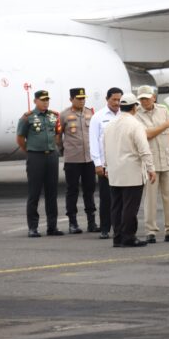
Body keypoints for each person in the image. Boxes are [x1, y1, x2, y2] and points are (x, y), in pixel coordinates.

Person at [104, 93, 156, 247]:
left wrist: (107, 166)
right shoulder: (135, 124)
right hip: (131, 171)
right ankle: (128, 237)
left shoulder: (110, 124)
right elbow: (144, 149)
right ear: (134, 107)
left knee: (116, 206)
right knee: (130, 206)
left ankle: (118, 237)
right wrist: (151, 168)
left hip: (114, 171)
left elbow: (105, 148)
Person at [135, 85, 169, 243]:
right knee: (150, 199)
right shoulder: (136, 114)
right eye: (141, 98)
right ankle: (151, 231)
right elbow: (147, 134)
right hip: (150, 163)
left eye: (146, 98)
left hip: (167, 158)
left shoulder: (163, 110)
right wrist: (166, 124)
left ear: (154, 97)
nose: (144, 101)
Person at [16, 90, 63, 237]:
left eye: (47, 100)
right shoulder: (27, 118)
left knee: (52, 193)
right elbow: (20, 138)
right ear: (36, 101)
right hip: (36, 157)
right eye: (42, 100)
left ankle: (52, 227)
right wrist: (30, 151)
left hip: (51, 156)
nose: (45, 102)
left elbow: (56, 134)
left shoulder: (53, 116)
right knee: (34, 193)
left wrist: (53, 148)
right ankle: (33, 227)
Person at [58, 88, 100, 235]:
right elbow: (58, 136)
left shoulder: (90, 113)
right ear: (71, 99)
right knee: (72, 191)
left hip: (89, 159)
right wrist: (64, 151)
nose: (82, 101)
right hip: (72, 159)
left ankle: (91, 222)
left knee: (89, 190)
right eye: (78, 98)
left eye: (83, 98)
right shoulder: (64, 115)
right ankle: (73, 223)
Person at [89, 88, 123, 239]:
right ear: (107, 99)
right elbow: (94, 141)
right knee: (106, 197)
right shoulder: (98, 117)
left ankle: (120, 227)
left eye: (119, 100)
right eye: (114, 100)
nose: (117, 103)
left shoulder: (125, 115)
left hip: (123, 163)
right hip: (105, 163)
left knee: (122, 197)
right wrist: (97, 163)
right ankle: (105, 228)